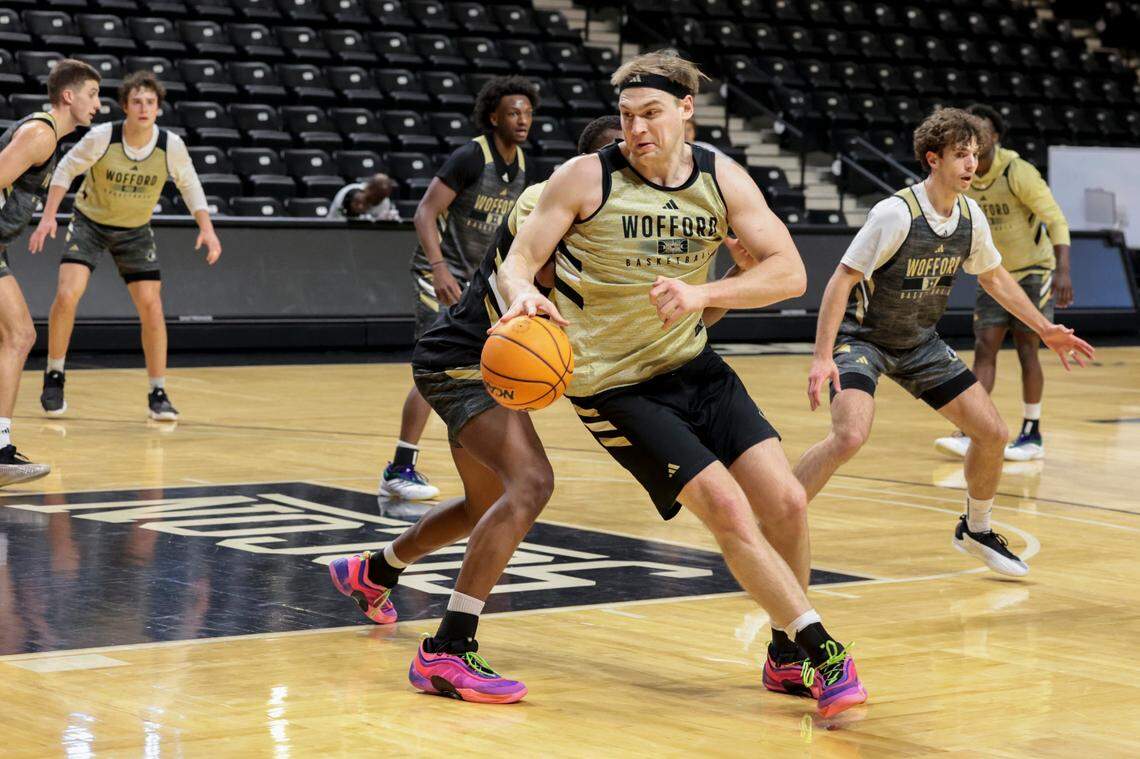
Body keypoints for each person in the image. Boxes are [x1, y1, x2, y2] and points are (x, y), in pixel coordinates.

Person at [492, 50, 867, 718]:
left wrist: (704, 292)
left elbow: (789, 273)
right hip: (613, 384)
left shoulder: (722, 177)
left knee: (785, 499)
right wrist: (522, 296)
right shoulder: (585, 178)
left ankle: (784, 651)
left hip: (692, 364)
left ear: (686, 111)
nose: (637, 128)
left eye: (652, 113)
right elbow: (519, 260)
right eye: (627, 115)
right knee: (724, 506)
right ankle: (820, 647)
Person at [328, 116, 623, 705]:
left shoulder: (612, 230)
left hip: (479, 361)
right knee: (533, 483)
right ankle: (447, 649)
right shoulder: (551, 207)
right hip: (464, 360)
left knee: (487, 506)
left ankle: (375, 571)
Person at [792, 107, 1094, 579]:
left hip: (918, 343)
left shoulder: (970, 215)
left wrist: (1044, 327)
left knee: (993, 434)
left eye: (975, 155)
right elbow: (841, 279)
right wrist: (821, 356)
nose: (972, 164)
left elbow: (993, 276)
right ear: (933, 159)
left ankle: (975, 529)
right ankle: (775, 518)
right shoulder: (895, 213)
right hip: (864, 341)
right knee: (849, 435)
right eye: (960, 155)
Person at [379, 76, 538, 502]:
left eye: (527, 112)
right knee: (439, 366)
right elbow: (425, 213)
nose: (522, 119)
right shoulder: (471, 155)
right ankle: (400, 466)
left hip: (475, 281)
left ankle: (479, 464)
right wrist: (438, 268)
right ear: (493, 116)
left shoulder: (524, 164)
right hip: (439, 274)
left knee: (472, 369)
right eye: (513, 112)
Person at [29, 71, 221, 421]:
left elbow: (190, 184)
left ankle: (158, 392)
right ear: (125, 106)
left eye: (150, 102)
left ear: (158, 108)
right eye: (137, 101)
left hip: (134, 229)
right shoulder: (104, 137)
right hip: (90, 223)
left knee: (151, 306)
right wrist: (48, 216)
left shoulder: (170, 145)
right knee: (68, 294)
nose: (144, 108)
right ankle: (54, 375)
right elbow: (65, 169)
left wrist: (207, 229)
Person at [934, 103, 1072, 462]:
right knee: (985, 348)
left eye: (979, 133)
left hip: (1033, 269)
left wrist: (1063, 270)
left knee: (1028, 347)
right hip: (994, 273)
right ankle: (972, 429)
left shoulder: (1017, 171)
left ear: (993, 137)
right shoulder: (963, 176)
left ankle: (1032, 432)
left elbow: (1055, 219)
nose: (972, 141)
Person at [0, 59, 101, 486]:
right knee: (19, 335)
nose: (97, 103)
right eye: (92, 94)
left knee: (17, 335)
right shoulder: (41, 134)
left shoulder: (48, 138)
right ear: (68, 95)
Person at [329, 173, 399, 221]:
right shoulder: (350, 192)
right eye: (377, 196)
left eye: (382, 198)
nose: (379, 201)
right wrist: (354, 211)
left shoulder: (385, 201)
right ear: (368, 188)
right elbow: (340, 212)